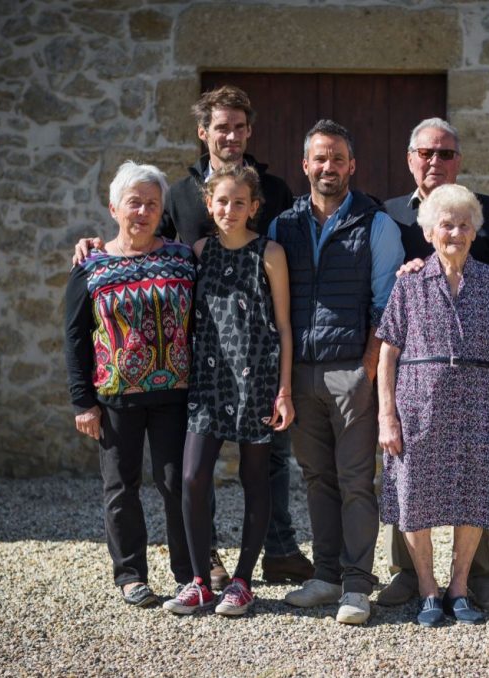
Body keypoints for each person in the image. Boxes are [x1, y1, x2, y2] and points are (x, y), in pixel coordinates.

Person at [72, 86, 312, 587]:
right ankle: (210, 562)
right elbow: (141, 242)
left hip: (259, 355)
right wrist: (97, 244)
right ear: (204, 133)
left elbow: (290, 256)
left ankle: (280, 550)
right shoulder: (179, 196)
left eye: (239, 127)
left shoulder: (278, 189)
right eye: (221, 127)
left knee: (269, 464)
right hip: (202, 361)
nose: (231, 135)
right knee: (189, 472)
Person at [269, 119, 405, 625]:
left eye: (338, 158)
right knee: (316, 479)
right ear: (305, 165)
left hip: (351, 371)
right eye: (319, 158)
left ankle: (356, 583)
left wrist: (367, 371)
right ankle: (325, 576)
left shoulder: (376, 224)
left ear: (353, 166)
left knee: (354, 481)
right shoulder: (282, 226)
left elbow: (387, 307)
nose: (329, 167)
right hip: (301, 372)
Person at [378, 118, 489, 611]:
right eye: (426, 153)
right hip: (418, 391)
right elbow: (389, 344)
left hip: (474, 385)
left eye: (446, 153)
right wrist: (386, 411)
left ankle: (474, 580)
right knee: (412, 488)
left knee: (477, 484)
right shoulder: (392, 220)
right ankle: (415, 581)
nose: (436, 162)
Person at [163, 165, 294, 617]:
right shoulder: (199, 251)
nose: (230, 210)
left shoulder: (270, 252)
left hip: (257, 380)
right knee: (192, 476)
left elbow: (283, 327)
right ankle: (200, 580)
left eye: (240, 202)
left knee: (254, 479)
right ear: (209, 205)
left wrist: (285, 391)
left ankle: (242, 581)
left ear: (254, 206)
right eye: (222, 201)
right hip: (209, 380)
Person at [64, 160, 195, 607]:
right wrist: (83, 401)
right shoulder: (91, 266)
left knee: (177, 482)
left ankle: (189, 574)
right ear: (114, 207)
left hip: (175, 396)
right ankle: (130, 575)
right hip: (115, 397)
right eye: (134, 203)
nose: (142, 212)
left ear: (162, 212)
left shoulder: (182, 259)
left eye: (152, 205)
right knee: (121, 486)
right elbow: (76, 334)